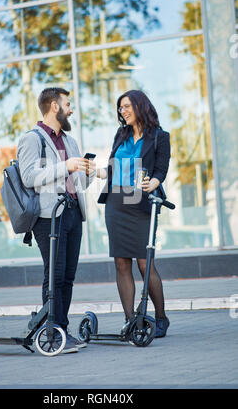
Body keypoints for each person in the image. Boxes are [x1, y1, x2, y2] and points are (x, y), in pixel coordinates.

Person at [17, 87, 96, 353]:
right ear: (54, 106)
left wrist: (89, 171)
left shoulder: (70, 142)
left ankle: (61, 329)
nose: (71, 109)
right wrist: (67, 166)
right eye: (67, 104)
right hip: (49, 216)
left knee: (68, 277)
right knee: (55, 275)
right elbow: (29, 177)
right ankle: (51, 332)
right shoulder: (32, 139)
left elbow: (79, 182)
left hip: (73, 211)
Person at [97, 89, 171, 338]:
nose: (123, 111)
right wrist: (98, 171)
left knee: (144, 263)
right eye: (120, 108)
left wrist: (155, 181)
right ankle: (130, 321)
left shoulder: (160, 137)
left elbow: (161, 168)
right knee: (121, 262)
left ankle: (160, 318)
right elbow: (113, 166)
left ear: (140, 106)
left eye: (127, 106)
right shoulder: (121, 134)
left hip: (140, 201)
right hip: (117, 201)